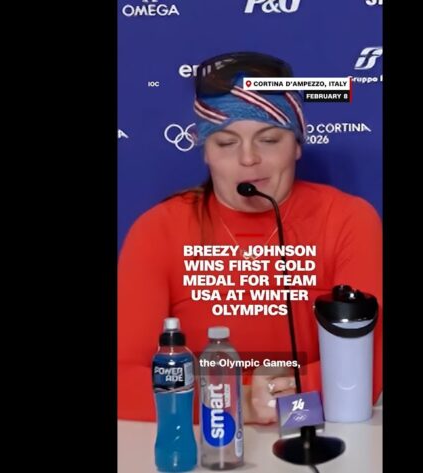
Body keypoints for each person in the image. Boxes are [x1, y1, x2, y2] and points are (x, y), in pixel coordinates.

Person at [118, 52, 382, 424]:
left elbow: (367, 369)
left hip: (318, 434)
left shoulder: (349, 219)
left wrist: (276, 400)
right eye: (226, 143)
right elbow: (123, 376)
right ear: (206, 152)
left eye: (269, 139)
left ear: (297, 144)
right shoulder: (158, 229)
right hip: (207, 438)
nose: (248, 159)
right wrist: (235, 399)